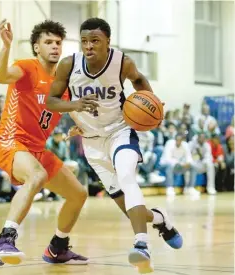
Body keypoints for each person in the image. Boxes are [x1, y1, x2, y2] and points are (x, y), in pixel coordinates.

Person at [47, 17, 182, 274]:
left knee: (127, 175)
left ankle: (141, 245)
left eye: (95, 41)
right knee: (128, 208)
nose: (89, 46)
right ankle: (161, 220)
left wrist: (152, 102)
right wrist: (74, 105)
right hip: (91, 141)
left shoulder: (122, 62)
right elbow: (52, 101)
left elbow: (140, 81)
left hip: (120, 132)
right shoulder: (68, 65)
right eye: (85, 41)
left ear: (108, 41)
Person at [0, 19, 88, 266]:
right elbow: (1, 76)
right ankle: (4, 240)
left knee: (78, 194)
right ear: (36, 47)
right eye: (48, 42)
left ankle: (58, 247)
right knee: (36, 175)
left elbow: (75, 111)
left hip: (37, 149)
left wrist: (82, 125)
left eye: (58, 42)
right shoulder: (27, 68)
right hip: (11, 141)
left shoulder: (62, 83)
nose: (55, 46)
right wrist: (6, 46)